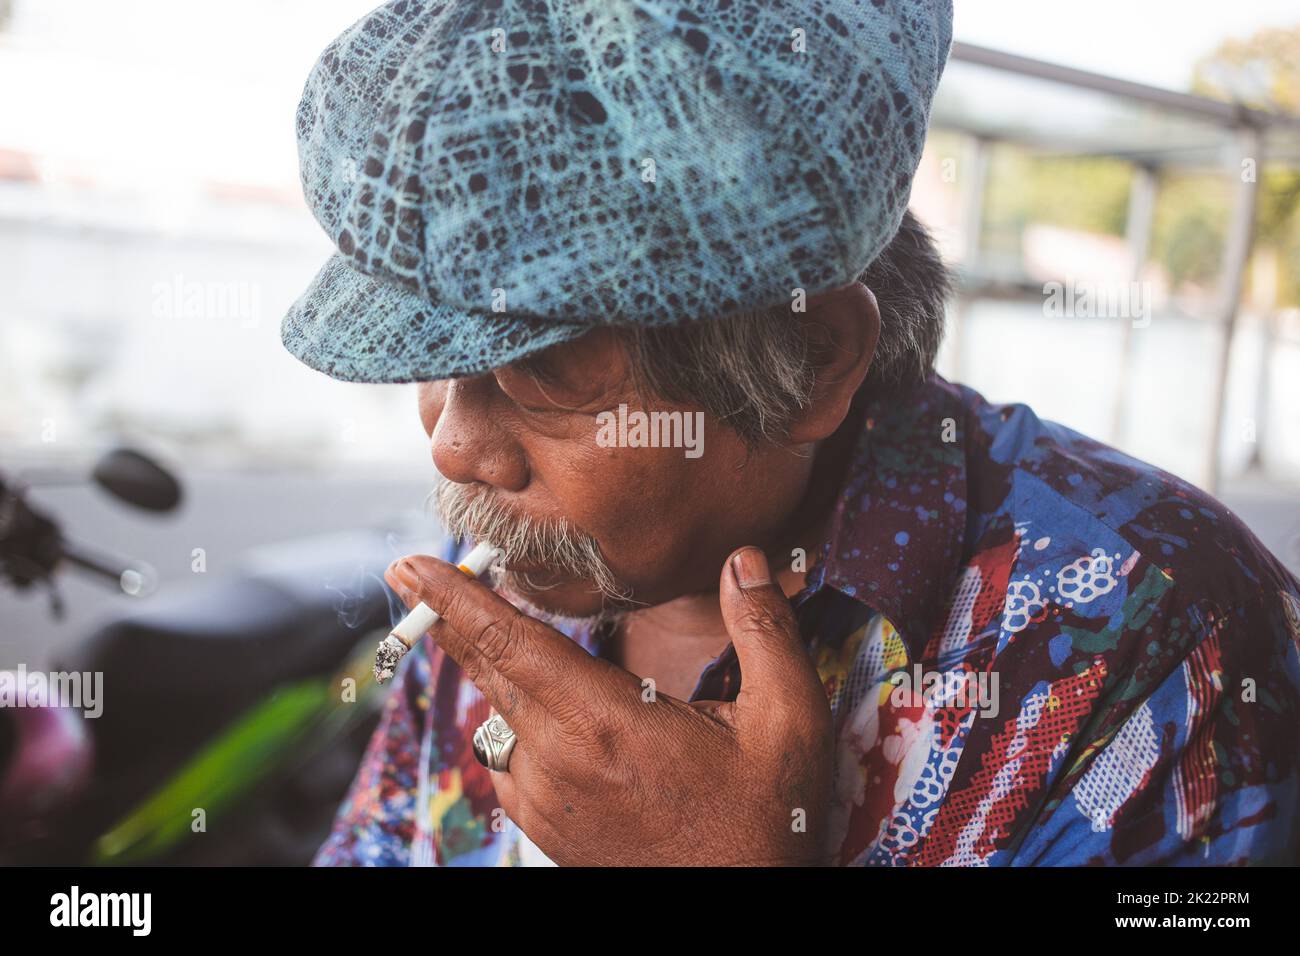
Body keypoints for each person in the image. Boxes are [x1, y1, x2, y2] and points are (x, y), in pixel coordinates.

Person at [280, 0, 1299, 866]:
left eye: (543, 369)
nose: (455, 447)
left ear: (811, 359)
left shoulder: (1159, 645)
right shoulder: (509, 575)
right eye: (435, 354)